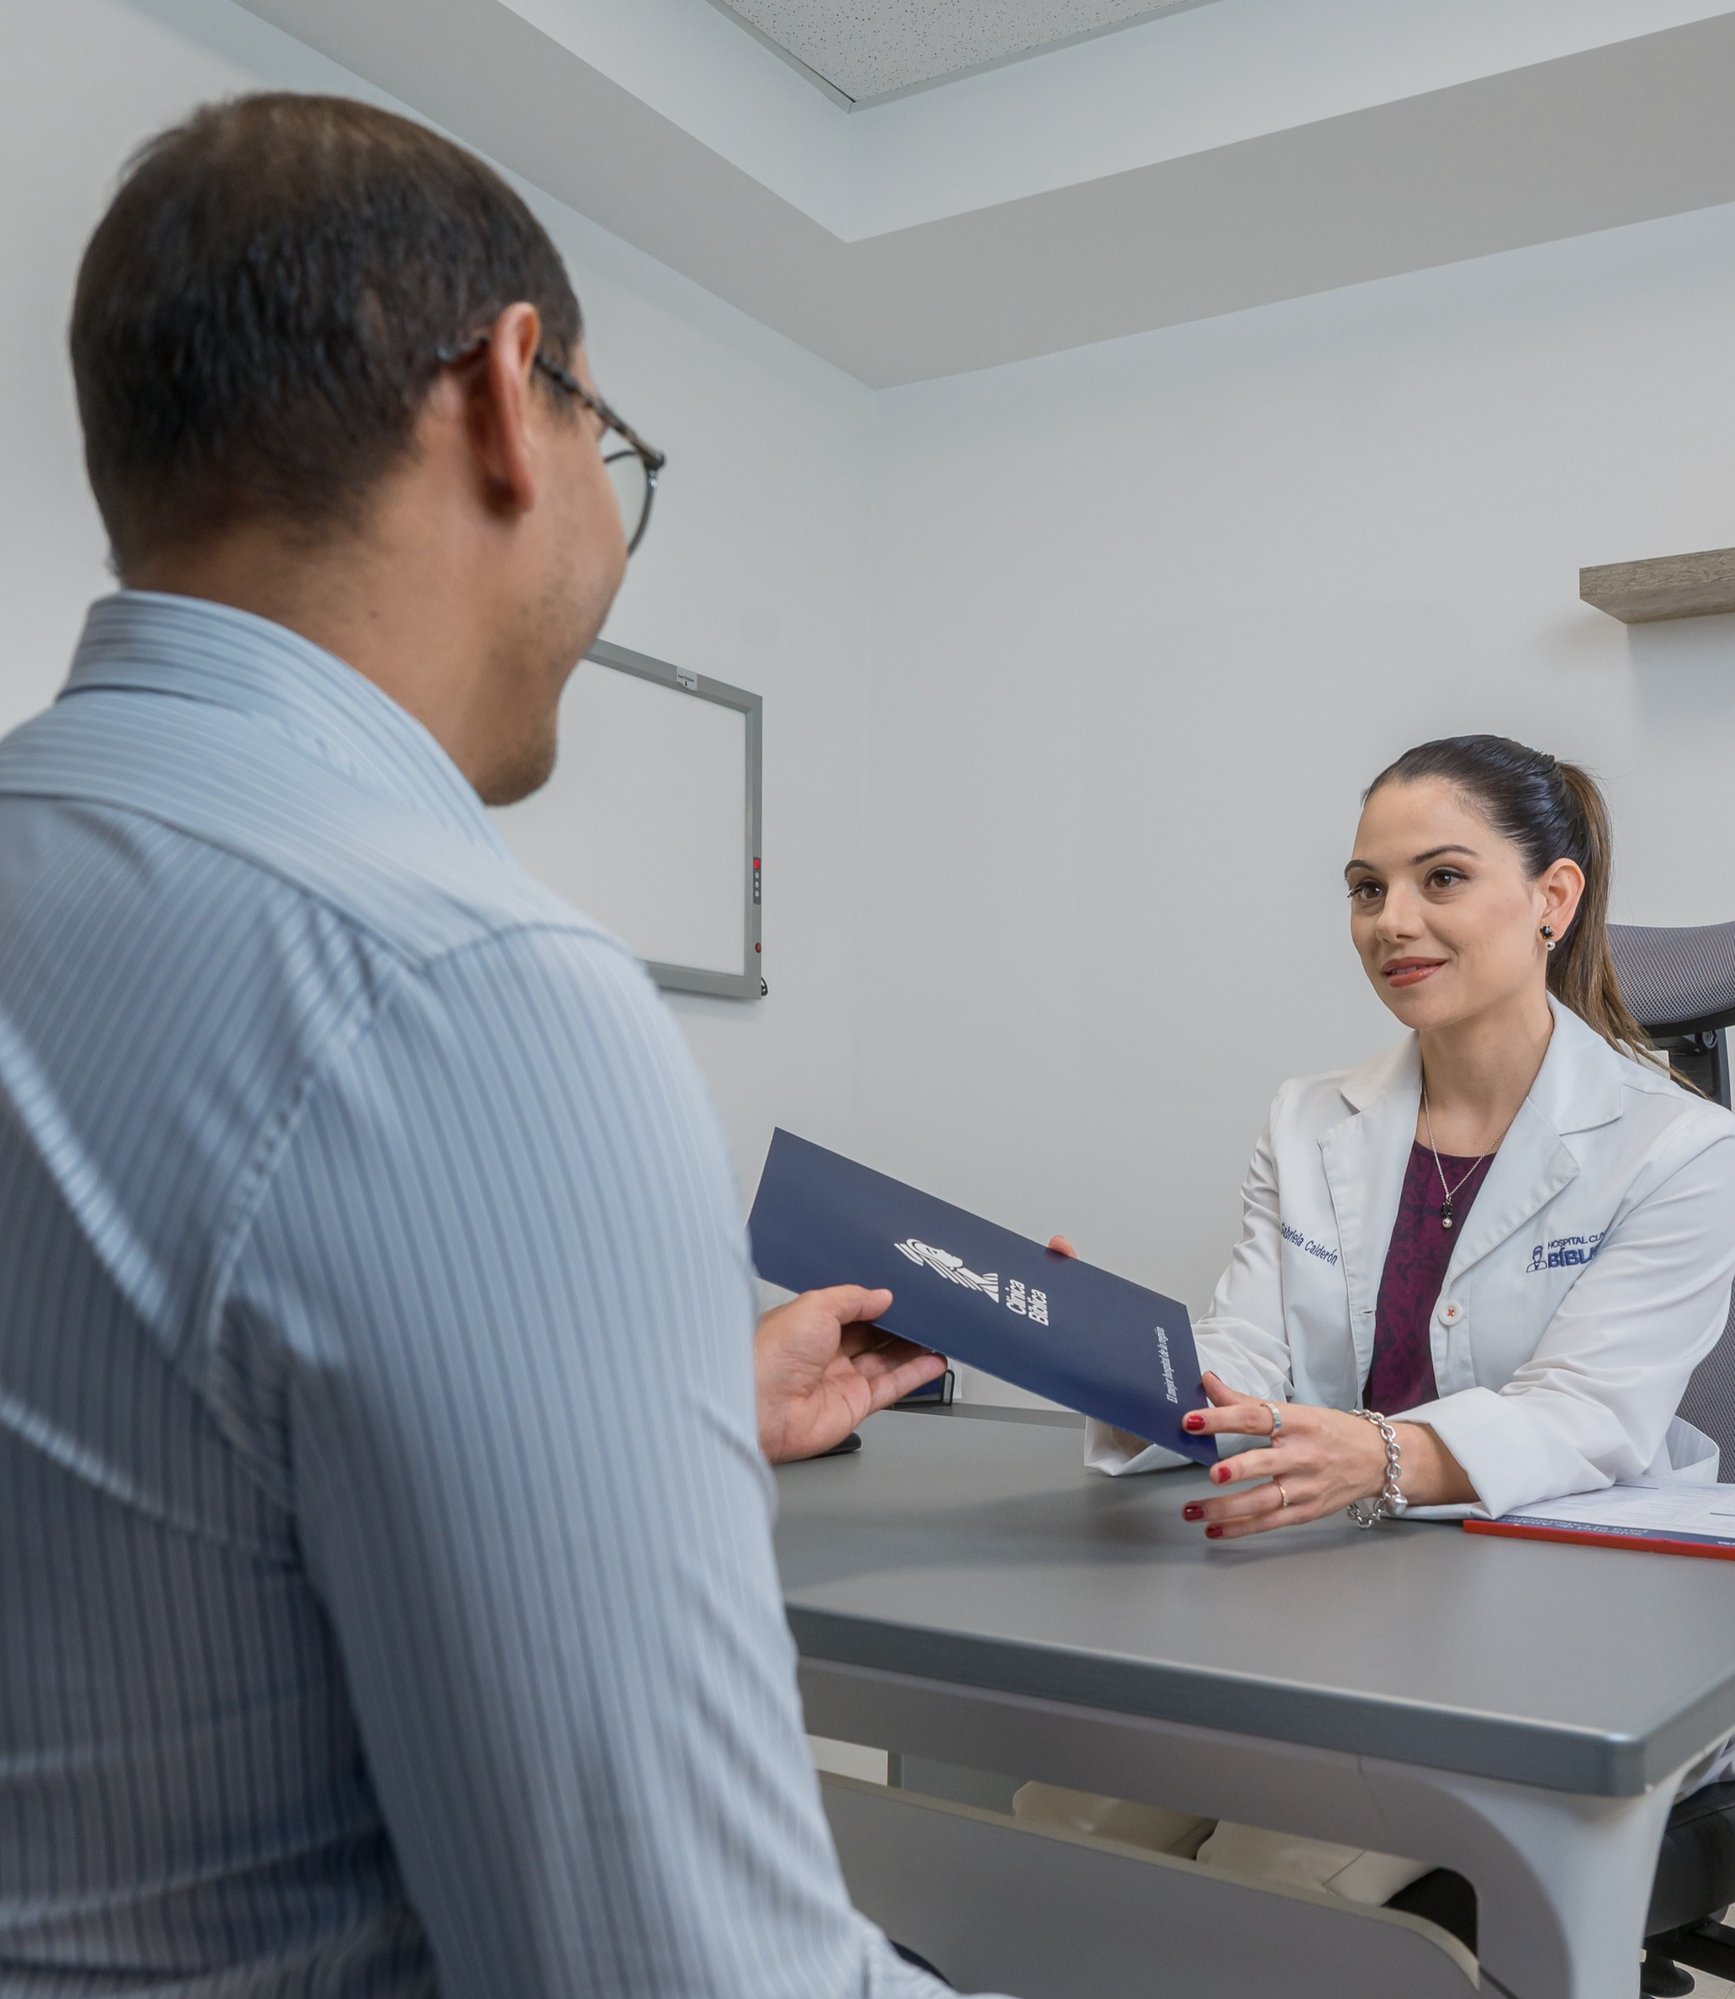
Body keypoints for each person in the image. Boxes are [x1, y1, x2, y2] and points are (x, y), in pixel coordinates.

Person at [0, 93, 998, 1997]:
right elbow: (676, 1970)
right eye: (614, 447)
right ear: (503, 394)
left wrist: (656, 1378)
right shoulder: (462, 987)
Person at [1029, 733, 1735, 1899]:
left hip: (1559, 1610)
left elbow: (1587, 1417)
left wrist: (1384, 1452)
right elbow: (1249, 1353)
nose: (1390, 920)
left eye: (1440, 878)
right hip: (1332, 1591)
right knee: (1068, 1811)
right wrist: (1098, 1347)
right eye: (1366, 888)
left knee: (1280, 1870)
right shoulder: (1311, 1118)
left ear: (1551, 898)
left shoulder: (1682, 1148)